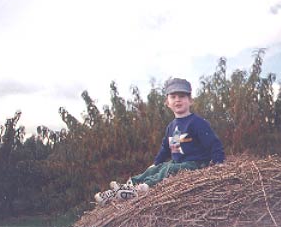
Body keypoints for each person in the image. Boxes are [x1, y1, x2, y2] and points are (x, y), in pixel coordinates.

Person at [95, 78, 225, 205]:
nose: (177, 99)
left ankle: (143, 188)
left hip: (196, 164)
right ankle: (127, 187)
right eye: (173, 97)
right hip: (177, 162)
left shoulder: (197, 123)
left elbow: (214, 144)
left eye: (182, 96)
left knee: (170, 168)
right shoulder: (172, 126)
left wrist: (218, 166)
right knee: (157, 168)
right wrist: (156, 163)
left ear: (190, 101)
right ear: (167, 103)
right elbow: (166, 148)